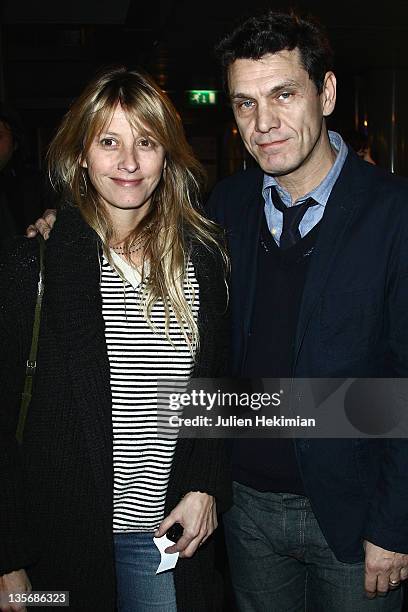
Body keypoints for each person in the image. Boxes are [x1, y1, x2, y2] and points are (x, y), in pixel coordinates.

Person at [0, 66, 231, 612]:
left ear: (167, 155)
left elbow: (216, 385)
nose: (128, 162)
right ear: (82, 154)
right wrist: (8, 561)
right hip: (58, 552)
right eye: (109, 142)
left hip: (166, 540)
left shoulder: (203, 258)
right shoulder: (30, 266)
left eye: (146, 143)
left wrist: (204, 484)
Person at [205, 9, 408, 612]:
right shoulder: (229, 203)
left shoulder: (393, 212)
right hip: (246, 511)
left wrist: (395, 525)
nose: (263, 123)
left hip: (354, 519)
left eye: (283, 95)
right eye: (245, 104)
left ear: (327, 93)